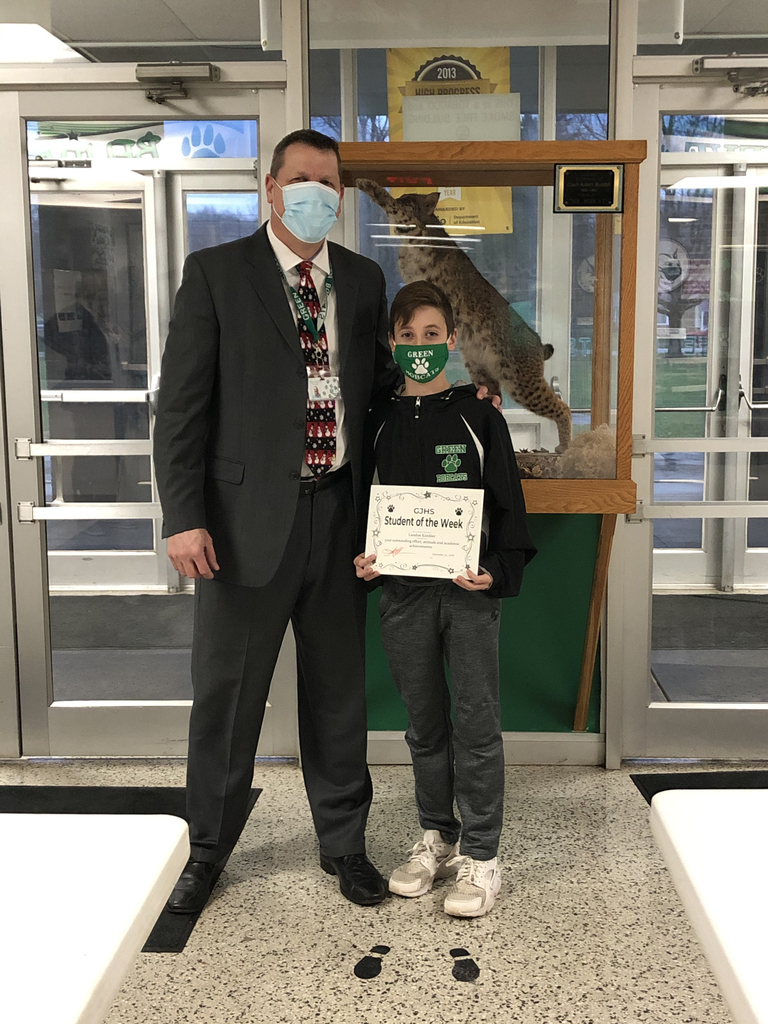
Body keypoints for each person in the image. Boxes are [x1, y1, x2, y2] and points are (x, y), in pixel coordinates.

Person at [154, 129, 399, 912]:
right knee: (227, 698)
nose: (315, 194)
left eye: (328, 182)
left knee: (338, 695)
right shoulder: (217, 274)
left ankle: (345, 844)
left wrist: (451, 397)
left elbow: (380, 388)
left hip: (338, 517)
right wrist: (183, 516)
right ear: (270, 189)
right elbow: (181, 409)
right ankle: (205, 850)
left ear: (341, 194)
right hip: (239, 527)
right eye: (300, 180)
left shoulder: (362, 280)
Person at [354, 280, 536, 918]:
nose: (420, 345)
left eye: (432, 334)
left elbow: (508, 506)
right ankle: (437, 835)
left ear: (452, 340)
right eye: (408, 335)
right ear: (392, 342)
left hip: (467, 596)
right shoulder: (376, 419)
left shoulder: (479, 414)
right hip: (403, 596)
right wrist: (364, 557)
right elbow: (363, 504)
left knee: (477, 724)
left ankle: (482, 856)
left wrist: (497, 570)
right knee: (424, 726)